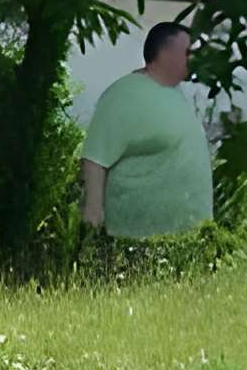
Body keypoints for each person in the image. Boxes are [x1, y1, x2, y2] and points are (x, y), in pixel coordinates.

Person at [79, 20, 213, 242]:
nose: (195, 59)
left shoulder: (175, 92)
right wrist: (93, 215)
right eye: (188, 52)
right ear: (164, 52)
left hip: (183, 238)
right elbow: (95, 158)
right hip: (137, 239)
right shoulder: (124, 94)